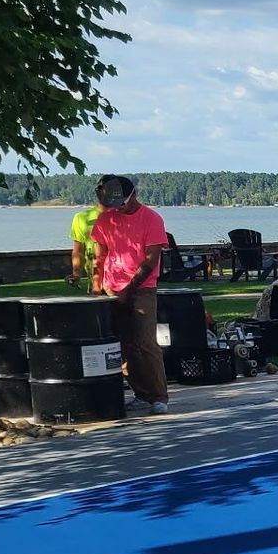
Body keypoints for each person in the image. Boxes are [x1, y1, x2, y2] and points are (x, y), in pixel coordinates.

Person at [88, 175, 169, 413]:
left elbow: (151, 259)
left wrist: (129, 289)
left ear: (132, 195)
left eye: (121, 203)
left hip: (141, 289)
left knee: (145, 342)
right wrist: (97, 284)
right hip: (111, 288)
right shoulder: (105, 219)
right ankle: (140, 393)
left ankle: (159, 396)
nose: (118, 208)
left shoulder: (151, 219)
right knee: (124, 343)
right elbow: (99, 255)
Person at [67, 196, 104, 289]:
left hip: (125, 284)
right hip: (95, 284)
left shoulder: (124, 216)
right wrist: (76, 273)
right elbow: (78, 251)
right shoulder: (81, 218)